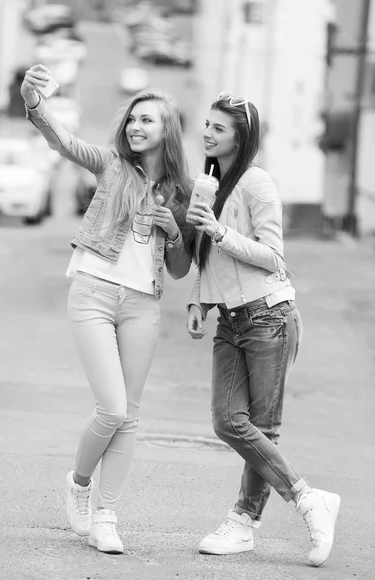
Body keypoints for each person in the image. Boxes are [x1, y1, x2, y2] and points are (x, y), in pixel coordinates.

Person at [20, 64, 193, 554]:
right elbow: (63, 141)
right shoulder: (111, 165)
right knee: (112, 408)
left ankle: (107, 517)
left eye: (148, 121)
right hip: (94, 293)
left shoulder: (178, 192)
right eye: (133, 119)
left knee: (130, 415)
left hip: (143, 304)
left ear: (167, 132)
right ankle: (78, 483)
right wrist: (34, 103)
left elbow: (180, 269)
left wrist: (175, 229)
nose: (136, 127)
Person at [186, 92, 340, 567]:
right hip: (230, 319)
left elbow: (274, 258)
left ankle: (246, 521)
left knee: (261, 427)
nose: (207, 133)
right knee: (227, 421)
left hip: (268, 315)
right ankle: (307, 498)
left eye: (219, 129)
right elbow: (207, 257)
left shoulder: (257, 184)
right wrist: (199, 296)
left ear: (241, 137)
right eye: (207, 125)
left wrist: (218, 231)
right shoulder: (209, 182)